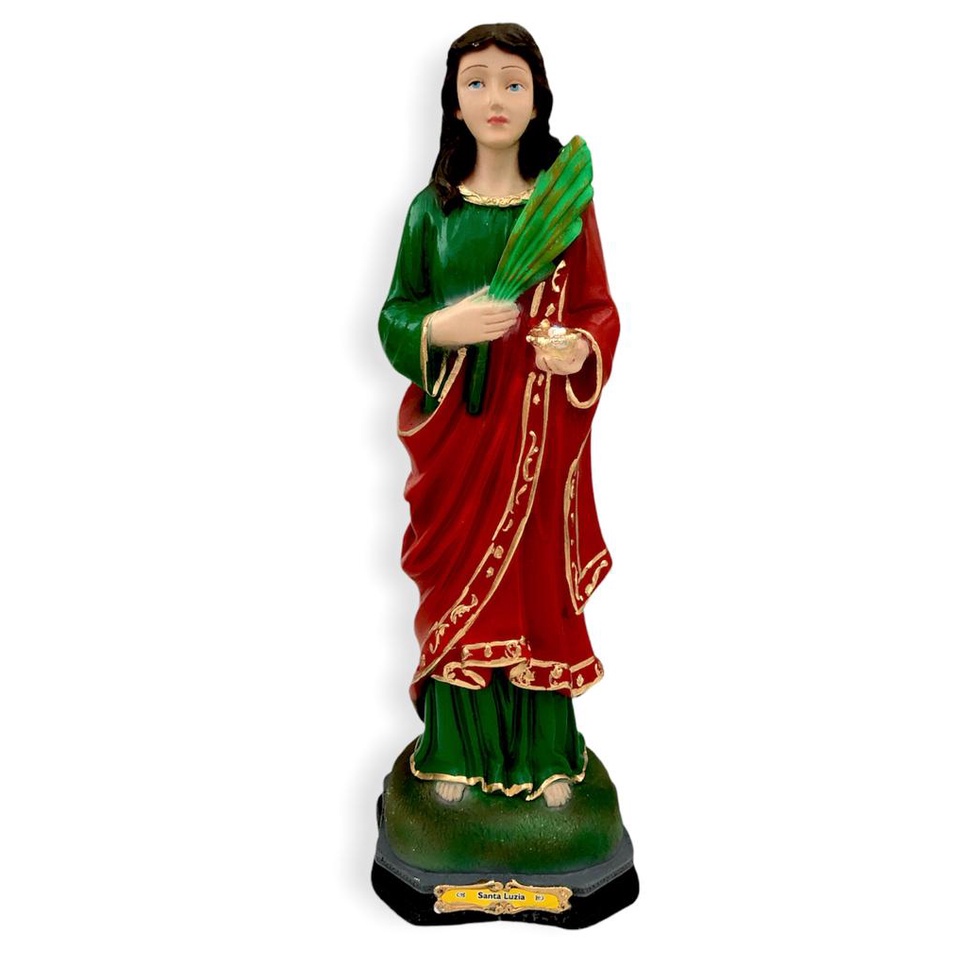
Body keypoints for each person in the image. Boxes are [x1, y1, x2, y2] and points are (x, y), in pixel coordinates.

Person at [379, 23, 619, 808]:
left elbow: (598, 309)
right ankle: (455, 750)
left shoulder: (564, 211)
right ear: (453, 102)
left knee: (535, 584)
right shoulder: (432, 212)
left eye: (512, 82)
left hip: (537, 436)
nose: (494, 97)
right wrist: (441, 328)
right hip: (459, 438)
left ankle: (544, 754)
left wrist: (577, 348)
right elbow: (395, 313)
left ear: (537, 100)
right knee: (458, 585)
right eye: (476, 81)